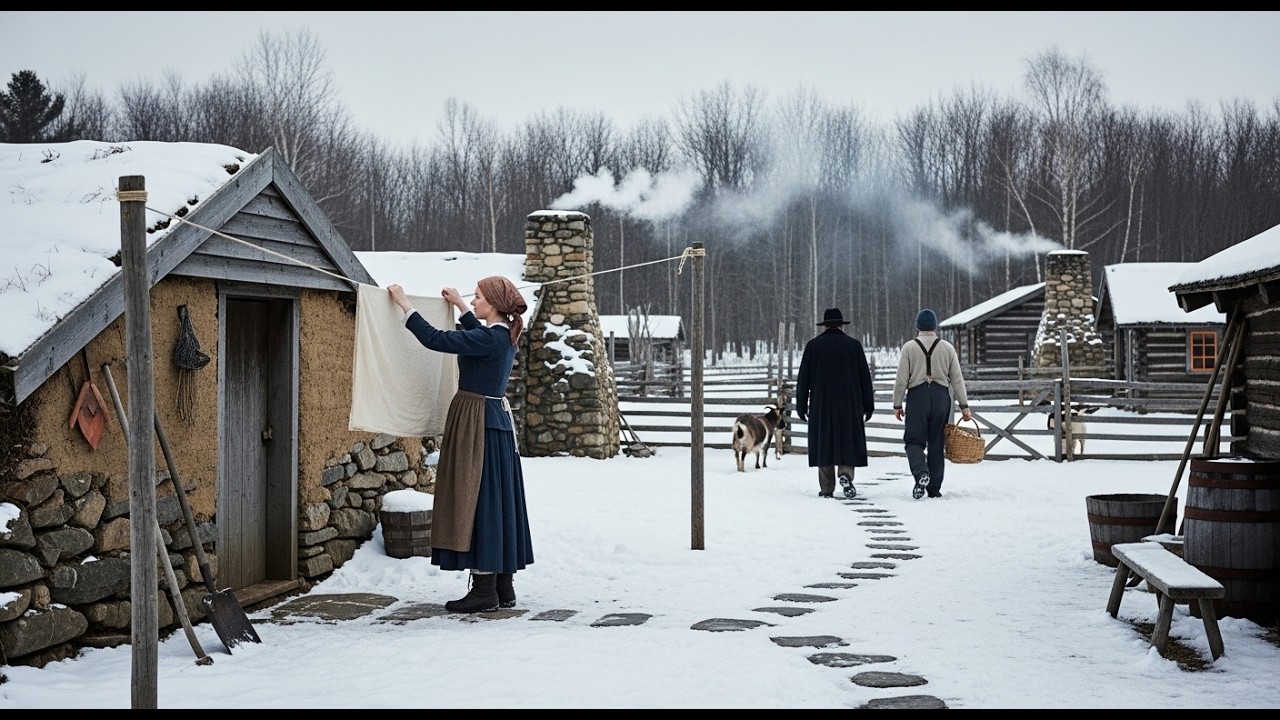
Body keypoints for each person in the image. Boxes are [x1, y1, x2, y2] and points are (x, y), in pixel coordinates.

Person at [387, 276, 534, 613]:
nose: (474, 300)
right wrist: (460, 305)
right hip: (491, 422)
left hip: (477, 424)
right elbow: (478, 333)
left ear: (494, 304)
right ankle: (502, 586)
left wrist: (404, 304)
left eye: (478, 297)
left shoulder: (490, 338)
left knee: (478, 500)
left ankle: (484, 592)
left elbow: (436, 339)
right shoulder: (502, 335)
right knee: (495, 500)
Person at [795, 308, 876, 499]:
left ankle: (826, 488)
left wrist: (801, 405)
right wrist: (868, 404)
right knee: (847, 440)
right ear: (841, 325)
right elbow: (865, 378)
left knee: (824, 443)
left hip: (821, 403)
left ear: (825, 326)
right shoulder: (853, 346)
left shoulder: (813, 346)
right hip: (849, 402)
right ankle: (845, 474)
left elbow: (803, 379)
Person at [892, 308, 972, 500]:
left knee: (913, 441)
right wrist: (964, 406)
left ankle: (921, 473)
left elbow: (901, 379)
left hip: (917, 397)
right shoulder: (947, 348)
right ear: (934, 326)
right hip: (941, 397)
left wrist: (897, 404)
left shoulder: (909, 348)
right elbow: (957, 379)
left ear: (918, 326)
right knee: (937, 443)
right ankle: (934, 489)